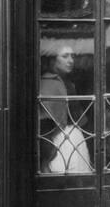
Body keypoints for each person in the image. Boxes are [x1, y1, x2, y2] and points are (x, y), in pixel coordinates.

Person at [39, 45, 92, 174]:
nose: (71, 61)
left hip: (72, 136)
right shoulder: (47, 83)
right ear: (52, 60)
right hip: (58, 140)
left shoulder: (67, 82)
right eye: (65, 56)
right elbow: (45, 123)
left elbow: (77, 116)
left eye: (72, 56)